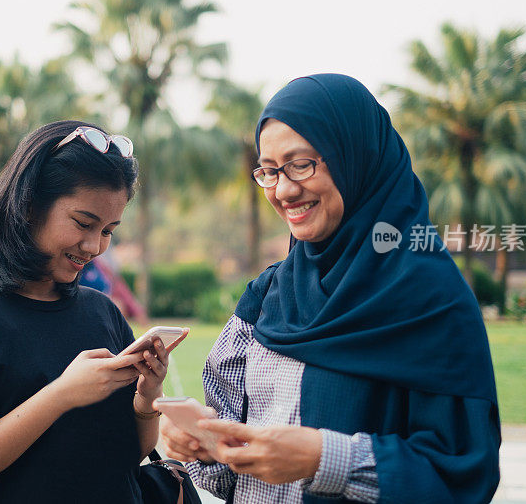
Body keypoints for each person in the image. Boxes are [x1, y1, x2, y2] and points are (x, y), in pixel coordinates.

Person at [159, 74, 500, 503]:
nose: (282, 190)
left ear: (356, 159)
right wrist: (202, 446)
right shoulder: (268, 295)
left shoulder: (431, 302)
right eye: (268, 171)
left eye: (300, 164)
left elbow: (464, 475)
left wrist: (324, 459)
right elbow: (230, 474)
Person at [0, 121, 183, 503]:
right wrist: (61, 395)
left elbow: (126, 455)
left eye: (108, 230)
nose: (95, 246)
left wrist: (144, 397)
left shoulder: (101, 310)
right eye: (84, 223)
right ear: (28, 205)